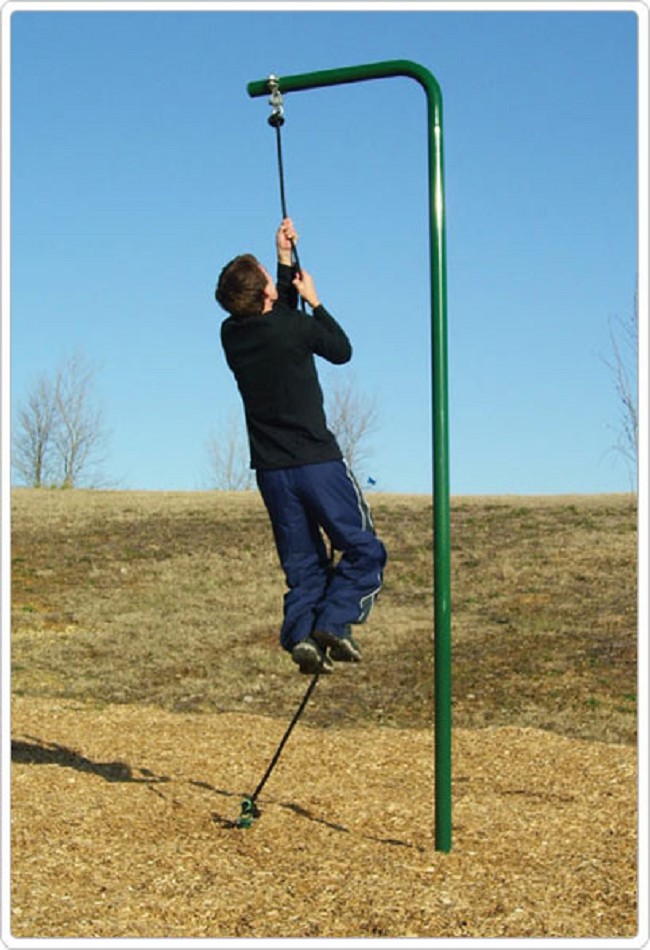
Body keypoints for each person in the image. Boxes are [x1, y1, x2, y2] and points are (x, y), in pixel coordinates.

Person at [215, 218, 387, 674]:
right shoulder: (293, 324)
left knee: (304, 565)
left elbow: (276, 319)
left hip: (272, 473)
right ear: (267, 293)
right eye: (268, 278)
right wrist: (317, 301)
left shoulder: (232, 335)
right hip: (318, 464)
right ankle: (333, 621)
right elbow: (340, 349)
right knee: (364, 550)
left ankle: (302, 638)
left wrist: (284, 259)